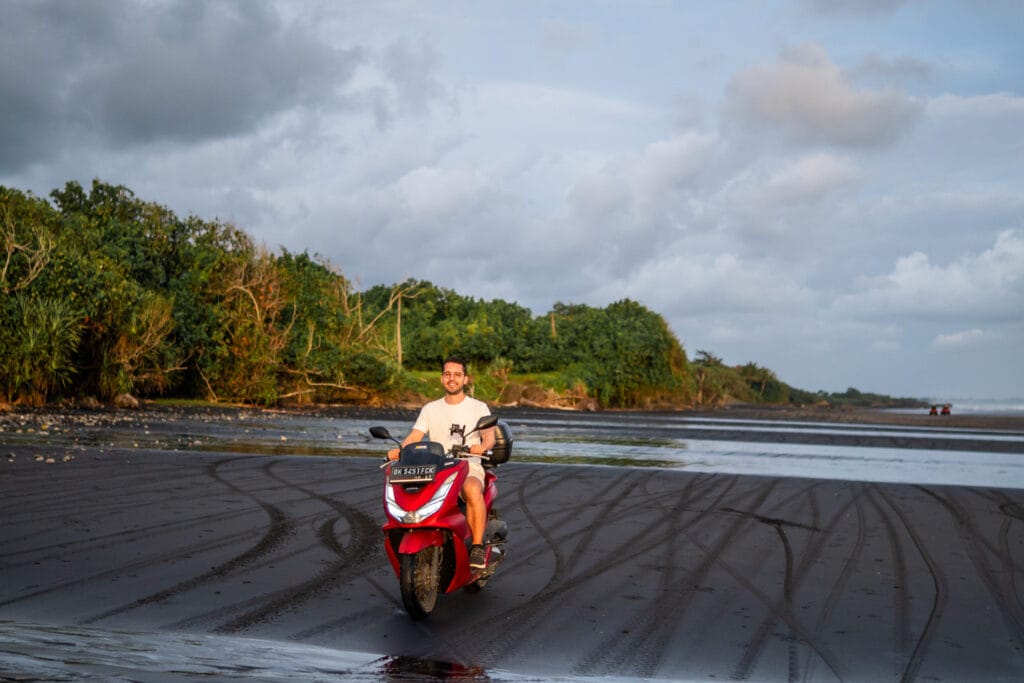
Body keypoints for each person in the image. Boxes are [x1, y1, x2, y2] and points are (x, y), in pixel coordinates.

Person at [388, 356, 495, 569]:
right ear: (441, 379)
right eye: (448, 374)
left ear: (465, 379)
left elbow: (489, 435)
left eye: (457, 375)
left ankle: (476, 546)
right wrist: (399, 450)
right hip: (436, 466)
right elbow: (415, 435)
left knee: (472, 488)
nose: (452, 379)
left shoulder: (478, 408)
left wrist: (481, 447)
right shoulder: (430, 409)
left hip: (467, 465)